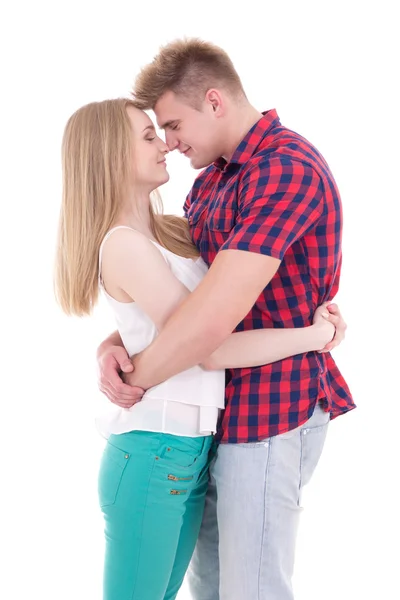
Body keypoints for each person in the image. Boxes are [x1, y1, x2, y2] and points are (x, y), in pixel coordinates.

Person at [97, 39, 355, 600]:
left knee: (252, 590)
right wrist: (113, 342)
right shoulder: (213, 179)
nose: (169, 142)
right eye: (156, 133)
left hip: (270, 410)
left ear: (214, 101)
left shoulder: (285, 170)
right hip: (211, 422)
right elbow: (185, 300)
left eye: (170, 124)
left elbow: (206, 331)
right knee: (212, 588)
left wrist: (132, 379)